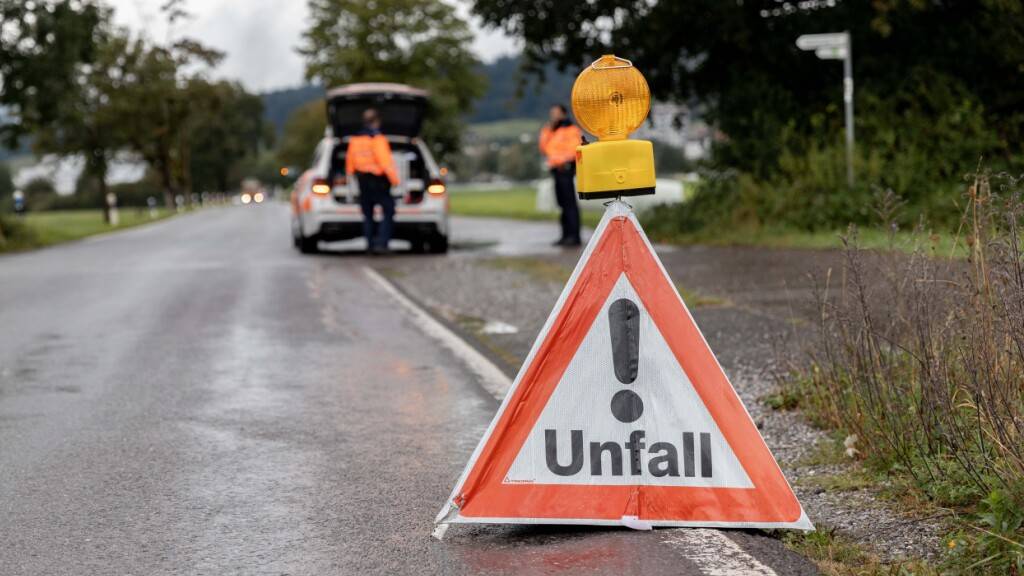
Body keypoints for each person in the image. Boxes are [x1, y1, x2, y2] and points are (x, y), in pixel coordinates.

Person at [346, 108, 400, 254]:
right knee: (388, 210)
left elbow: (350, 164)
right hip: (379, 180)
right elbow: (385, 162)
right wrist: (395, 181)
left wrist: (351, 179)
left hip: (362, 181)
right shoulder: (378, 139)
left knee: (368, 215)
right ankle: (382, 244)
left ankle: (369, 245)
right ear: (376, 122)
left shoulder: (355, 140)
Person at [539, 104, 583, 247]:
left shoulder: (571, 130)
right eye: (552, 113)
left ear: (563, 114)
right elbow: (544, 148)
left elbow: (574, 149)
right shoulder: (552, 131)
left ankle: (574, 236)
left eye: (556, 113)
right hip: (556, 170)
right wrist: (548, 130)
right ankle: (565, 235)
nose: (553, 116)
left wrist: (563, 161)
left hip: (566, 168)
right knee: (562, 203)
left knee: (570, 203)